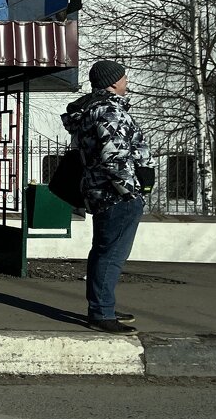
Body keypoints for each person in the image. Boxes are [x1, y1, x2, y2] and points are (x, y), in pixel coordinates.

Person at [61, 59, 154, 334]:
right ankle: (101, 313)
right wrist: (132, 192)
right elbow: (114, 158)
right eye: (124, 77)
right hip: (116, 195)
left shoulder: (91, 110)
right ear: (113, 82)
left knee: (103, 251)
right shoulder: (109, 111)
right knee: (111, 255)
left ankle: (103, 307)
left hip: (101, 192)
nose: (127, 81)